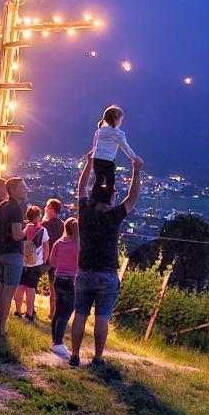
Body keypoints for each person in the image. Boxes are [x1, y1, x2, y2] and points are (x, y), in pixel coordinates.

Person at [69, 151, 143, 367]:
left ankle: (74, 355)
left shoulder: (85, 211)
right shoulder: (113, 216)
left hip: (84, 271)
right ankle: (98, 358)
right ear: (111, 198)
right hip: (106, 273)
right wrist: (136, 171)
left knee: (80, 315)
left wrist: (89, 164)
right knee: (102, 318)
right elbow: (133, 198)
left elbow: (81, 188)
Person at [0, 177, 29, 337]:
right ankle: (1, 328)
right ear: (13, 190)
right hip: (13, 254)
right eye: (23, 188)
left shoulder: (2, 205)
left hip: (0, 252)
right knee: (8, 291)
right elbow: (16, 235)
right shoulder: (16, 209)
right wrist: (27, 229)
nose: (26, 190)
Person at [48, 217, 79, 358]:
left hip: (58, 279)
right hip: (71, 281)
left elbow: (52, 261)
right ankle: (58, 343)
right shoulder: (78, 245)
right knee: (66, 312)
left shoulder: (59, 243)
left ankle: (55, 340)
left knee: (58, 311)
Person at [14, 205, 49, 323]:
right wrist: (44, 261)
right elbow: (46, 247)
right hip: (35, 264)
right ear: (38, 216)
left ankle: (17, 311)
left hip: (21, 262)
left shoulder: (23, 227)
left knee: (19, 287)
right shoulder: (42, 230)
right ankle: (29, 314)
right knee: (30, 290)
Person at [91, 105, 137, 195]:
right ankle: (108, 201)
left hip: (96, 159)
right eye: (121, 119)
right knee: (110, 181)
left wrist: (92, 154)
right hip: (108, 160)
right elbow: (125, 147)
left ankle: (93, 198)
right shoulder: (118, 133)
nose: (121, 122)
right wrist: (134, 158)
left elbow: (95, 146)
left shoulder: (99, 131)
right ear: (116, 120)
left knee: (98, 180)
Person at [41, 199, 65, 320]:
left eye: (46, 207)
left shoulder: (44, 224)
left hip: (43, 259)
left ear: (51, 209)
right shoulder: (63, 226)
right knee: (53, 288)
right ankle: (53, 313)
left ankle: (30, 310)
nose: (45, 209)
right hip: (57, 260)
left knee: (30, 283)